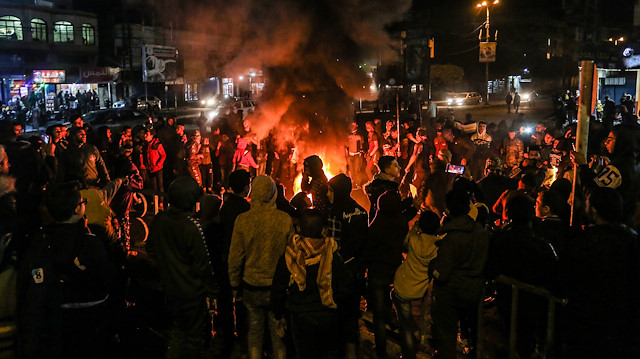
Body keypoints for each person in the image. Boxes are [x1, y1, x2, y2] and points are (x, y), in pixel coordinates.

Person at [19, 182, 116, 358]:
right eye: (83, 201)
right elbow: (107, 279)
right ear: (77, 209)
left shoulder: (39, 243)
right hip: (90, 326)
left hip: (53, 328)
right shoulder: (91, 242)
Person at [560, 187, 640, 358]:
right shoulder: (632, 239)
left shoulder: (582, 241)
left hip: (588, 323)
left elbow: (565, 278)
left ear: (594, 211)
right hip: (624, 324)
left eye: (587, 204)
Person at [146, 176, 219, 359]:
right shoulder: (192, 227)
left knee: (178, 333)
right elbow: (203, 265)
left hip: (170, 288)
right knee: (194, 338)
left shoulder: (160, 219)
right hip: (192, 292)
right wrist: (213, 291)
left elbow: (151, 249)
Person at [271, 209, 351, 359]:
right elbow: (345, 284)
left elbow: (278, 289)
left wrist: (279, 314)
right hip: (328, 315)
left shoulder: (290, 256)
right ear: (323, 230)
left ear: (299, 229)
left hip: (300, 316)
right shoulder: (332, 254)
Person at [228, 175, 293, 359]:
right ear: (273, 194)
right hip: (277, 290)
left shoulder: (243, 220)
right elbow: (292, 256)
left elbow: (235, 257)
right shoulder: (284, 220)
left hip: (251, 287)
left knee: (254, 335)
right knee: (278, 337)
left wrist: (234, 285)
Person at [428, 189, 489, 359]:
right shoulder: (480, 231)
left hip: (451, 293)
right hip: (474, 290)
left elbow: (442, 274)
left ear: (449, 208)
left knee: (446, 339)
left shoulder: (451, 237)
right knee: (475, 334)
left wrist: (432, 266)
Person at [326, 174, 368, 359]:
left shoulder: (335, 213)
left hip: (341, 273)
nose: (327, 194)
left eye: (330, 190)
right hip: (357, 271)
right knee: (352, 316)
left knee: (338, 316)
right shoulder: (361, 210)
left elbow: (333, 246)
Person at [365, 190, 409, 359]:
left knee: (378, 313)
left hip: (377, 272)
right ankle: (405, 346)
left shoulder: (377, 225)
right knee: (394, 306)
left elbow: (369, 248)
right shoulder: (402, 222)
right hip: (395, 270)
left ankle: (381, 349)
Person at [392, 210, 441, 359]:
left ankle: (408, 354)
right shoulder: (437, 247)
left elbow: (404, 242)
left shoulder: (414, 239)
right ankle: (415, 335)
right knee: (413, 316)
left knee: (404, 325)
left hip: (402, 285)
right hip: (418, 290)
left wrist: (415, 227)